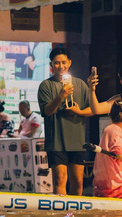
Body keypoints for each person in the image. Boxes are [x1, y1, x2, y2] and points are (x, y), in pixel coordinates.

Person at [37, 46, 93, 196]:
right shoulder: (45, 86)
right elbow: (47, 111)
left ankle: (75, 215)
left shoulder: (80, 84)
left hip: (77, 142)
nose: (60, 66)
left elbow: (93, 109)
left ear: (69, 63)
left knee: (78, 181)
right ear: (51, 65)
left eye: (63, 62)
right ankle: (61, 216)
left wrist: (79, 111)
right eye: (56, 63)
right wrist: (60, 96)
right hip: (56, 141)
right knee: (60, 180)